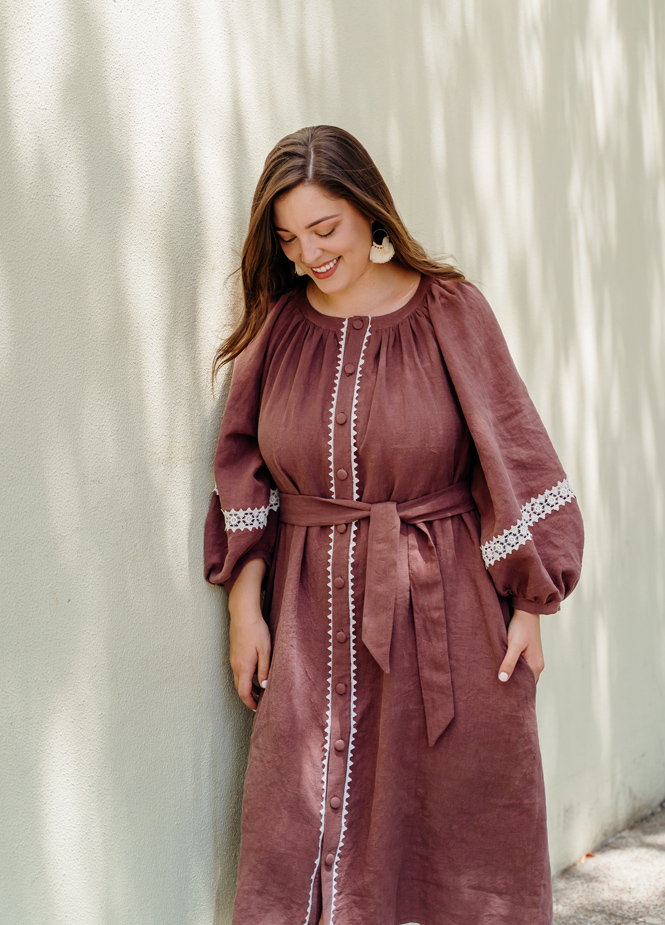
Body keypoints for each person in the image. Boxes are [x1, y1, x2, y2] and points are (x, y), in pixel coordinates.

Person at [204, 124, 584, 925]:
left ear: (369, 210)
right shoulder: (278, 327)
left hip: (450, 611)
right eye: (288, 238)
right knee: (296, 827)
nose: (308, 255)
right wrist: (243, 600)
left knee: (468, 838)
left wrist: (531, 603)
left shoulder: (449, 308)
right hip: (307, 619)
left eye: (324, 229)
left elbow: (511, 451)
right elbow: (242, 464)